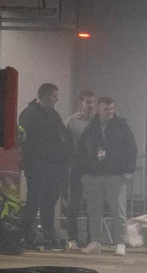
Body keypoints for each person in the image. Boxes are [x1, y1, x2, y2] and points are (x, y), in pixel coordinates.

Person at [76, 97, 137, 256]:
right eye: (106, 109)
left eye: (111, 109)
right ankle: (95, 241)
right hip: (93, 175)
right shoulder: (91, 128)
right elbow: (82, 150)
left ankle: (120, 242)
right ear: (98, 109)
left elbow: (131, 148)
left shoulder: (122, 126)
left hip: (115, 174)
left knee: (118, 210)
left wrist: (129, 169)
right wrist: (83, 171)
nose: (110, 112)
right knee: (93, 210)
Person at [19, 83, 73, 250]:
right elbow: (26, 142)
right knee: (34, 201)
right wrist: (34, 162)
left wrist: (65, 158)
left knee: (49, 202)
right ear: (45, 96)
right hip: (38, 166)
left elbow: (63, 136)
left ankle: (48, 235)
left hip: (55, 167)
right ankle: (26, 235)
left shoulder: (53, 114)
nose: (57, 99)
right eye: (54, 96)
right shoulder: (29, 115)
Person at [65, 90, 97, 248]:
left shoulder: (98, 120)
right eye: (88, 102)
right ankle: (72, 238)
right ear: (81, 103)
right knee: (75, 203)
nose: (91, 105)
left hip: (94, 169)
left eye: (93, 102)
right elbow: (68, 143)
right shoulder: (72, 121)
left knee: (94, 204)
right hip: (77, 167)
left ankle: (92, 238)